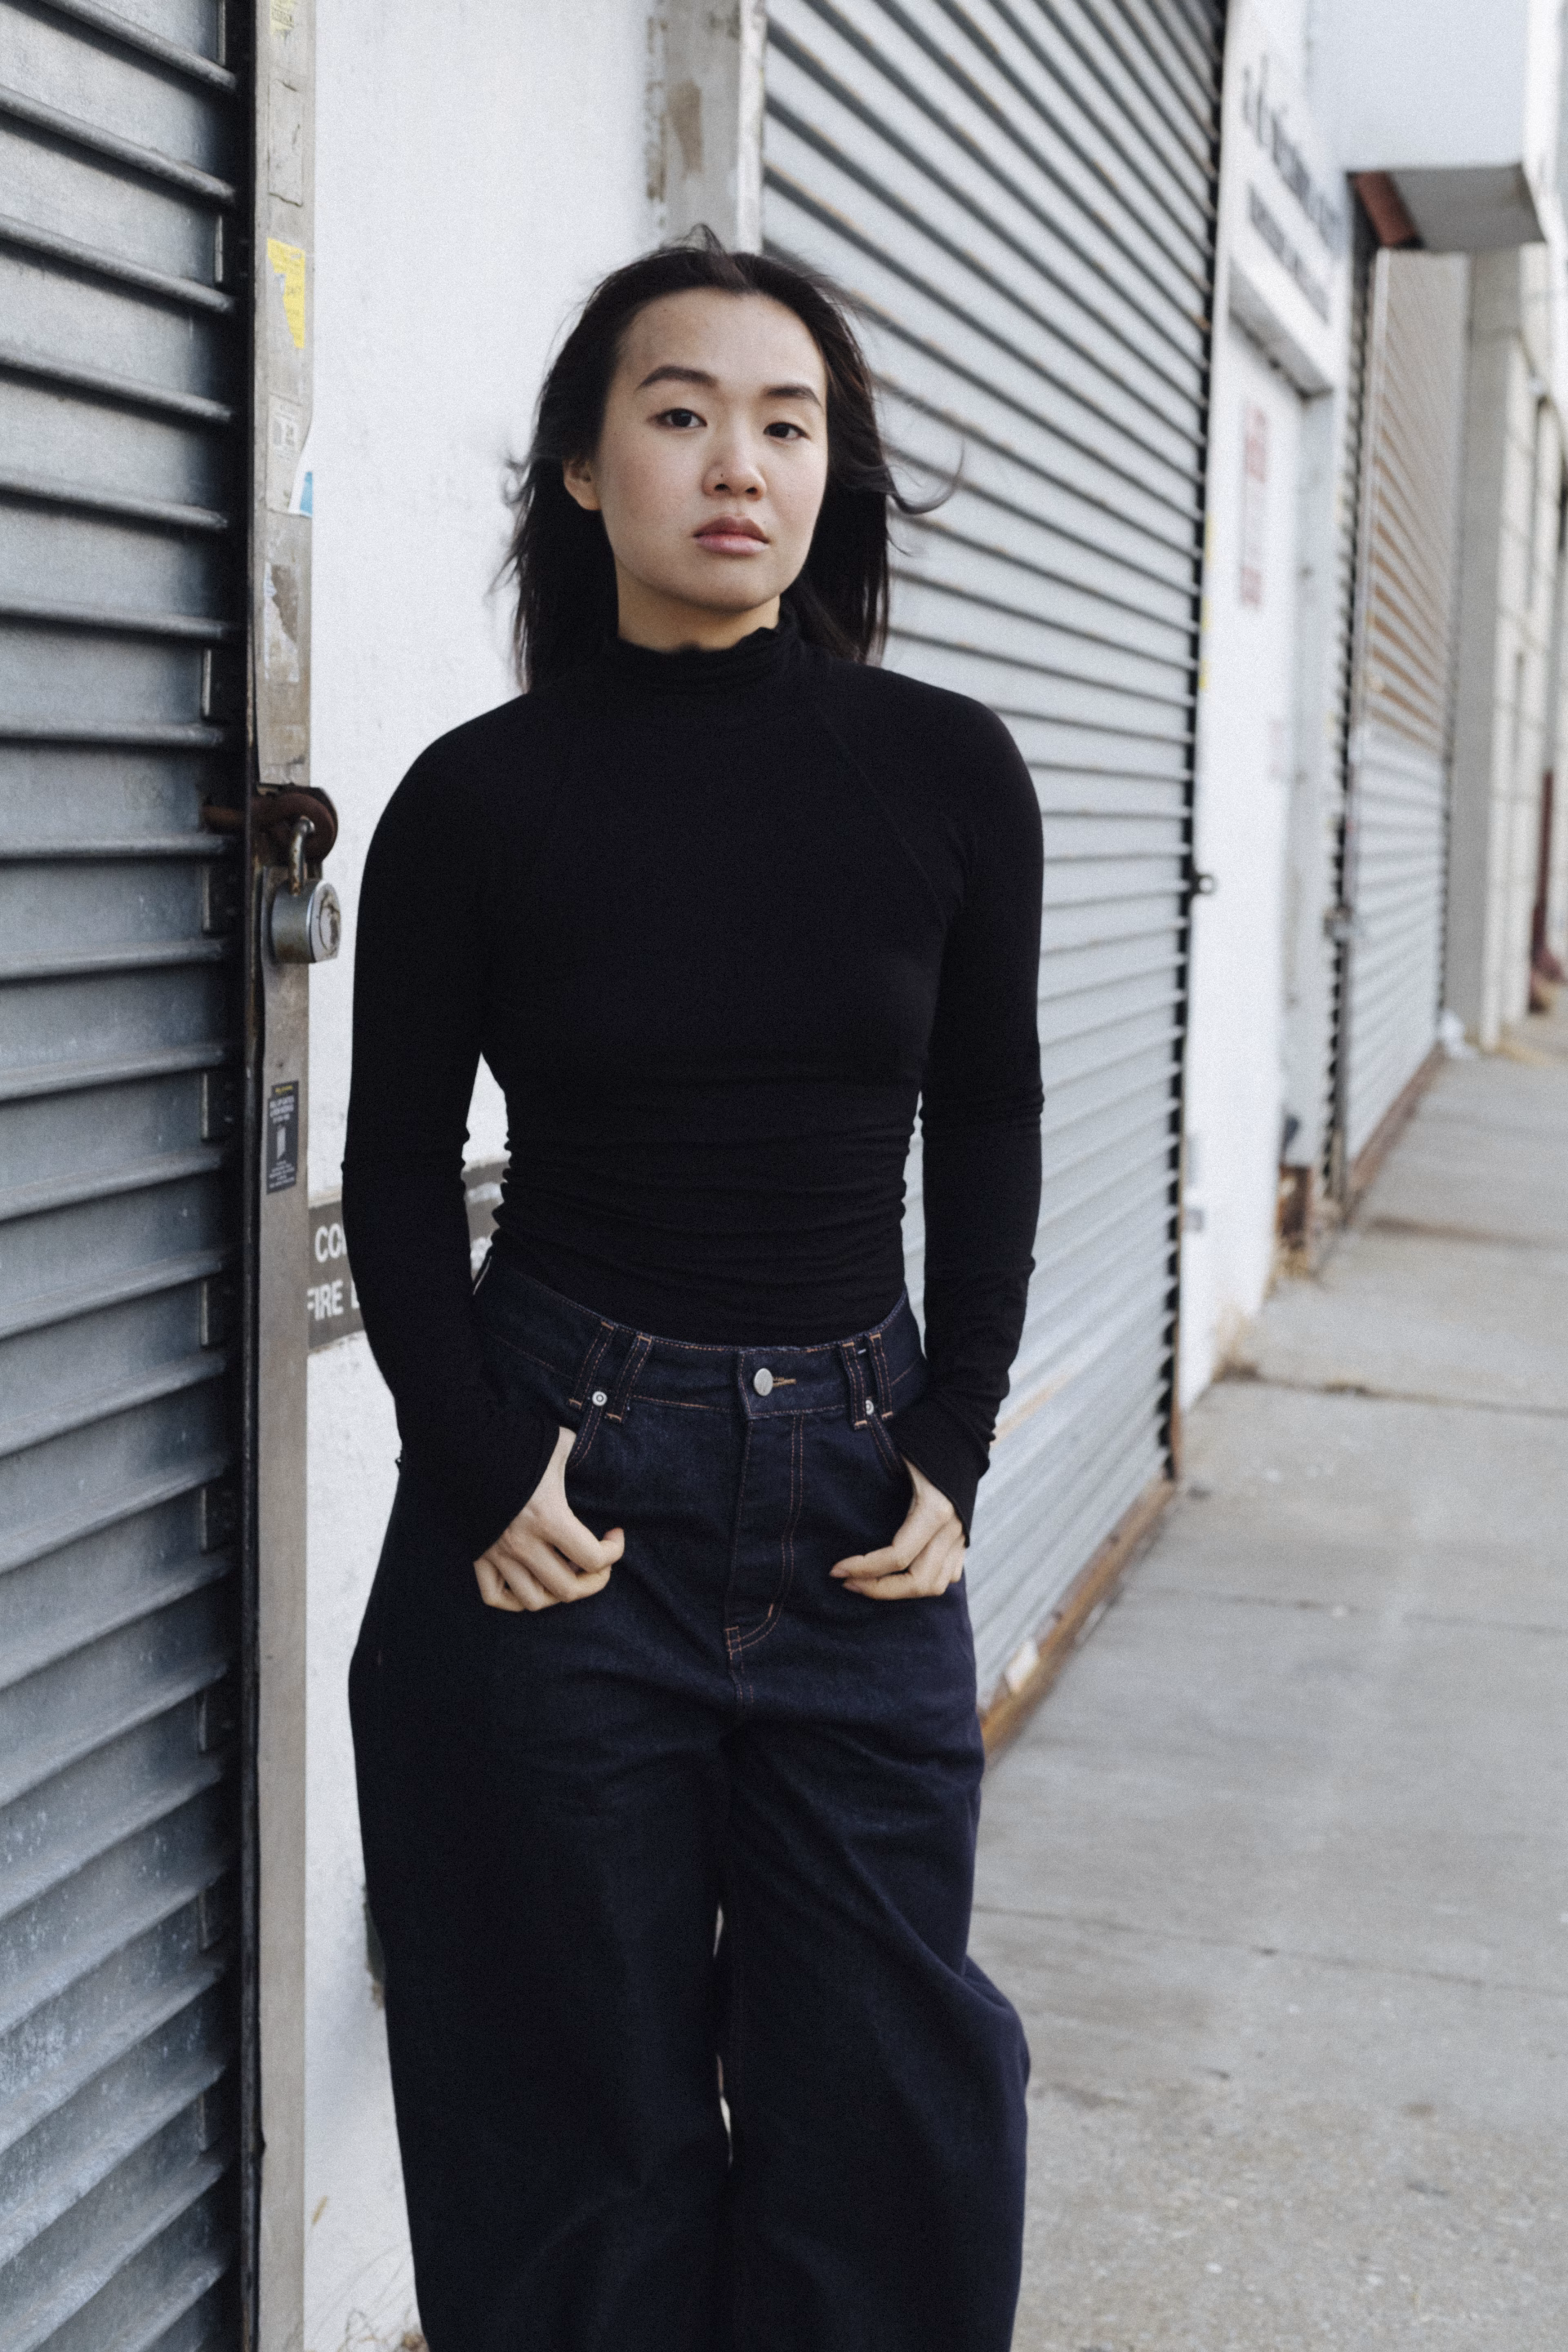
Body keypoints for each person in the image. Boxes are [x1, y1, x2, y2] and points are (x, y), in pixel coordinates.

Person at [344, 233, 1043, 2352]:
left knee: (893, 2117)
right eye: (681, 413)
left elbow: (989, 1123)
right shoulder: (476, 800)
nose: (739, 462)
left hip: (857, 1505)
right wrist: (477, 1465)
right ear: (583, 466)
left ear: (833, 470)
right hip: (562, 1504)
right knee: (570, 2138)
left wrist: (955, 1434)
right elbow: (393, 1173)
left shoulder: (947, 773)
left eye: (787, 421)